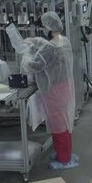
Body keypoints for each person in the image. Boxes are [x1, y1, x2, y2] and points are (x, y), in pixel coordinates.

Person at [21, 12, 78, 170]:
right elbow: (50, 49)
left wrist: (26, 55)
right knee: (64, 122)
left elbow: (35, 65)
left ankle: (64, 159)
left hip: (54, 91)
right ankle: (65, 152)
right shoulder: (63, 41)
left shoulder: (49, 48)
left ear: (47, 28)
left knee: (58, 125)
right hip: (65, 86)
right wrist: (37, 42)